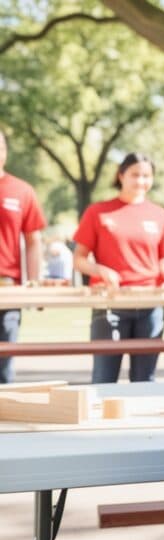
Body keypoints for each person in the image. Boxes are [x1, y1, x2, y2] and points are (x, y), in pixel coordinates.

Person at [73, 153, 164, 383]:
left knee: (145, 379)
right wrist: (101, 270)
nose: (141, 181)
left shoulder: (161, 215)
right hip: (109, 303)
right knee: (104, 377)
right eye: (135, 175)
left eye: (146, 176)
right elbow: (79, 259)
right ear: (121, 175)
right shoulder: (97, 212)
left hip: (151, 305)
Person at [0, 130, 46, 383]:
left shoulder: (21, 191)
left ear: (5, 152)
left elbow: (33, 240)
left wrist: (35, 281)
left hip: (7, 287)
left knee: (3, 364)